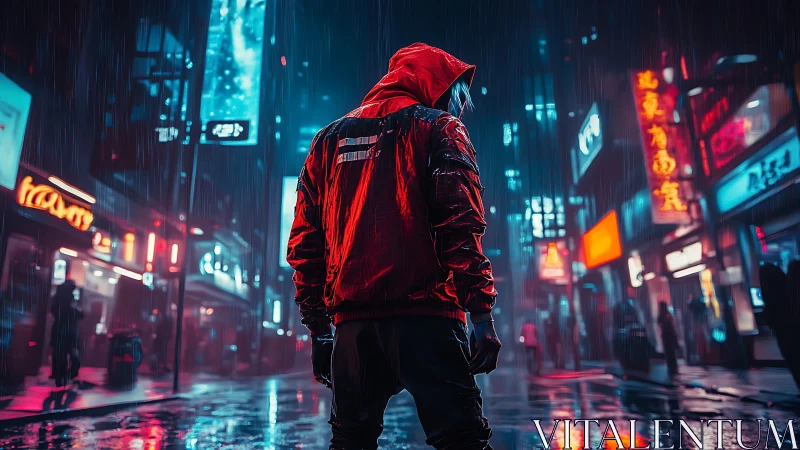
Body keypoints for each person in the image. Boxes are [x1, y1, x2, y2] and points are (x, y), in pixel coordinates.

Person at [287, 43, 500, 450]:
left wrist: (320, 330)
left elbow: (306, 244)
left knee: (350, 442)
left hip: (353, 325)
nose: (459, 107)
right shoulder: (440, 128)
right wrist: (481, 314)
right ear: (437, 85)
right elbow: (460, 225)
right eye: (457, 96)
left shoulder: (326, 140)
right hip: (427, 318)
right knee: (462, 440)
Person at [49, 280, 83, 387]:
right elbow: (76, 313)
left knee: (61, 354)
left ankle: (59, 374)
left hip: (61, 331)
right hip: (67, 331)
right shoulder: (66, 300)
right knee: (69, 354)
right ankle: (63, 374)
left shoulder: (58, 299)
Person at [657, 301, 679, 376]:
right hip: (669, 335)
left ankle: (672, 368)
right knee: (671, 352)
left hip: (667, 336)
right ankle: (673, 368)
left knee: (669, 352)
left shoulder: (663, 314)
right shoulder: (667, 314)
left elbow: (660, 324)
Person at [688, 295, 709, 367]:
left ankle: (702, 359)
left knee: (700, 344)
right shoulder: (701, 312)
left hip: (699, 329)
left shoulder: (696, 314)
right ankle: (703, 359)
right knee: (701, 344)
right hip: (700, 329)